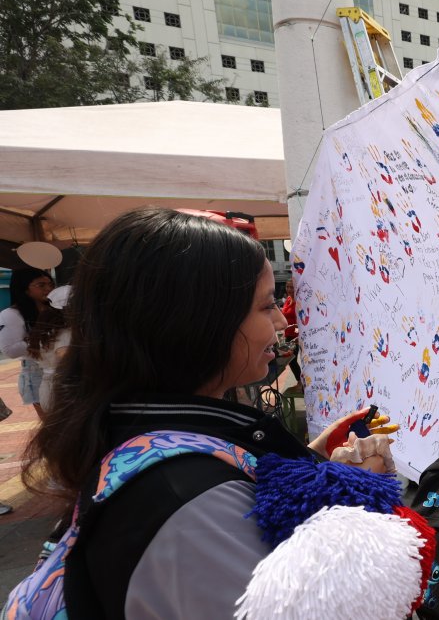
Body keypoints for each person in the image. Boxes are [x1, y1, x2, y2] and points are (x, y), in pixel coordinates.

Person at [18, 208, 400, 616]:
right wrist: (356, 493)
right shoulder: (188, 503)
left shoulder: (155, 445)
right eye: (267, 305)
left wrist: (313, 464)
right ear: (196, 322)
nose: (279, 322)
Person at [0, 267, 55, 420]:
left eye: (50, 284)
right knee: (53, 426)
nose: (48, 289)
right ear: (24, 289)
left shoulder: (54, 310)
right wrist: (47, 337)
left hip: (63, 371)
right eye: (41, 285)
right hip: (37, 375)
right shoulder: (11, 315)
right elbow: (10, 350)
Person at [25, 285, 71, 414]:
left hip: (47, 387)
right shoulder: (65, 333)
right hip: (64, 389)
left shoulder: (45, 332)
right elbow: (65, 356)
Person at [280, 277, 303, 393]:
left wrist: (298, 336)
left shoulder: (299, 302)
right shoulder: (288, 299)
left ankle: (300, 383)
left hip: (295, 336)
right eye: (287, 287)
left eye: (291, 287)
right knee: (290, 360)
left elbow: (301, 320)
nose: (289, 289)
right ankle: (300, 382)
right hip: (288, 335)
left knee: (292, 359)